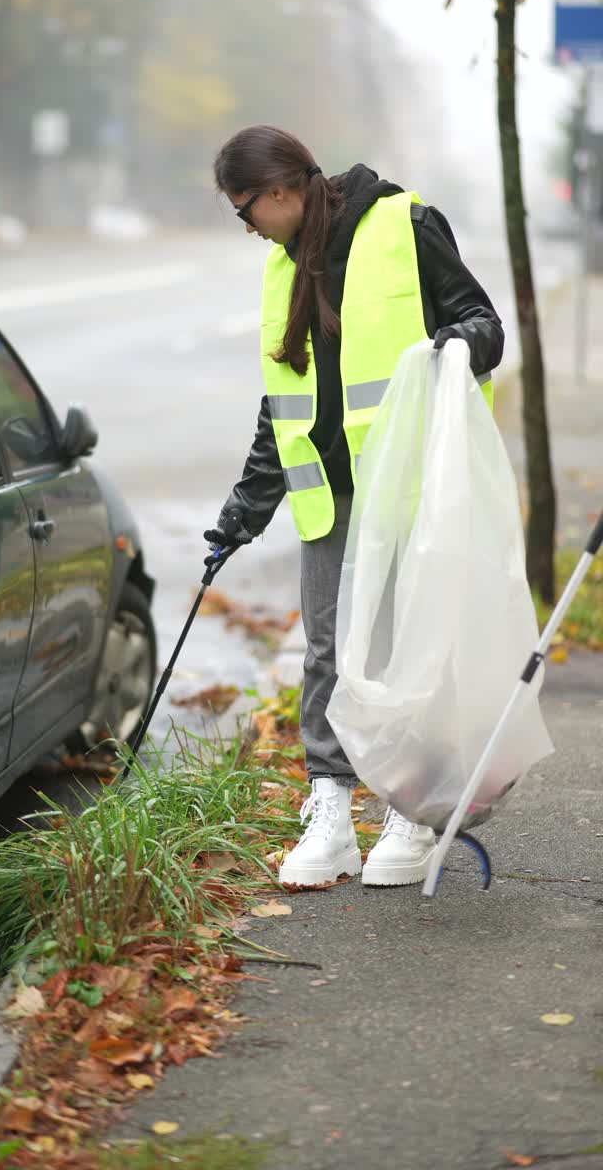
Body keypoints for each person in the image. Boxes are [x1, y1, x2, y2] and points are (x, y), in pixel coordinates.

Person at [204, 125, 504, 889]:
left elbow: (486, 325)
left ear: (280, 190)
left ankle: (410, 810)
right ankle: (332, 812)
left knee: (407, 650)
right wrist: (244, 512)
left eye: (246, 210)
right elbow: (281, 406)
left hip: (404, 491)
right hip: (328, 497)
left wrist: (459, 340)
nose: (247, 228)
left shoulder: (405, 223)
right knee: (330, 655)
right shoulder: (283, 268)